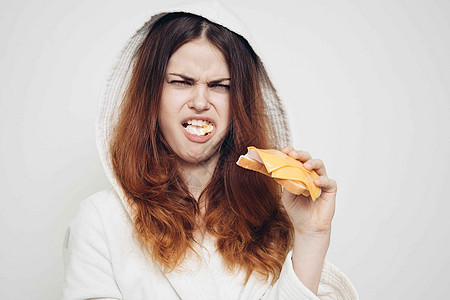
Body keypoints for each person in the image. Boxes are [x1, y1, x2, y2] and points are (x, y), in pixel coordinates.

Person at [62, 1, 358, 299]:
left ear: (238, 103)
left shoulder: (275, 222)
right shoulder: (101, 221)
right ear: (152, 96)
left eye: (219, 86)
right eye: (181, 82)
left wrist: (311, 235)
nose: (201, 102)